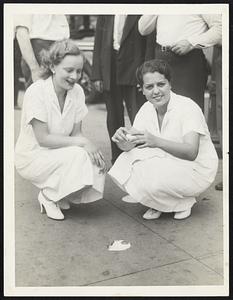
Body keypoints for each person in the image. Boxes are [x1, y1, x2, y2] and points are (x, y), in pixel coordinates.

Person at [109, 59, 218, 220]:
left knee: (149, 170)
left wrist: (156, 141)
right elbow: (131, 146)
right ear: (142, 90)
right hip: (167, 162)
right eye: (149, 87)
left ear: (170, 84)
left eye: (161, 84)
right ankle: (160, 202)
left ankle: (183, 202)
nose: (156, 91)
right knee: (126, 160)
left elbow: (191, 152)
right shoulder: (146, 109)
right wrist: (121, 140)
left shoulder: (187, 107)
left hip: (195, 169)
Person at [15, 39, 106, 221]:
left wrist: (88, 148)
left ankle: (60, 193)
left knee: (93, 160)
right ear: (53, 67)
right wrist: (83, 143)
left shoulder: (77, 91)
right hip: (33, 156)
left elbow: (76, 134)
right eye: (69, 70)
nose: (75, 76)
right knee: (80, 155)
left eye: (79, 71)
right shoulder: (36, 91)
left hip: (57, 152)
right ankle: (48, 197)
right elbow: (43, 139)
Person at [91, 15, 148, 164]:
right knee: (114, 116)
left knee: (138, 114)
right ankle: (117, 160)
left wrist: (145, 74)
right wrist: (97, 75)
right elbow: (99, 41)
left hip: (134, 66)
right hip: (110, 64)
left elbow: (147, 40)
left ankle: (142, 159)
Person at [138, 15, 222, 111]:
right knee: (162, 112)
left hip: (188, 61)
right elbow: (143, 29)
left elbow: (221, 27)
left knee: (188, 111)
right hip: (160, 59)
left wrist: (192, 42)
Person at [14, 14, 70, 89]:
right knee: (39, 95)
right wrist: (34, 69)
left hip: (60, 47)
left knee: (60, 96)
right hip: (39, 51)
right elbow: (21, 32)